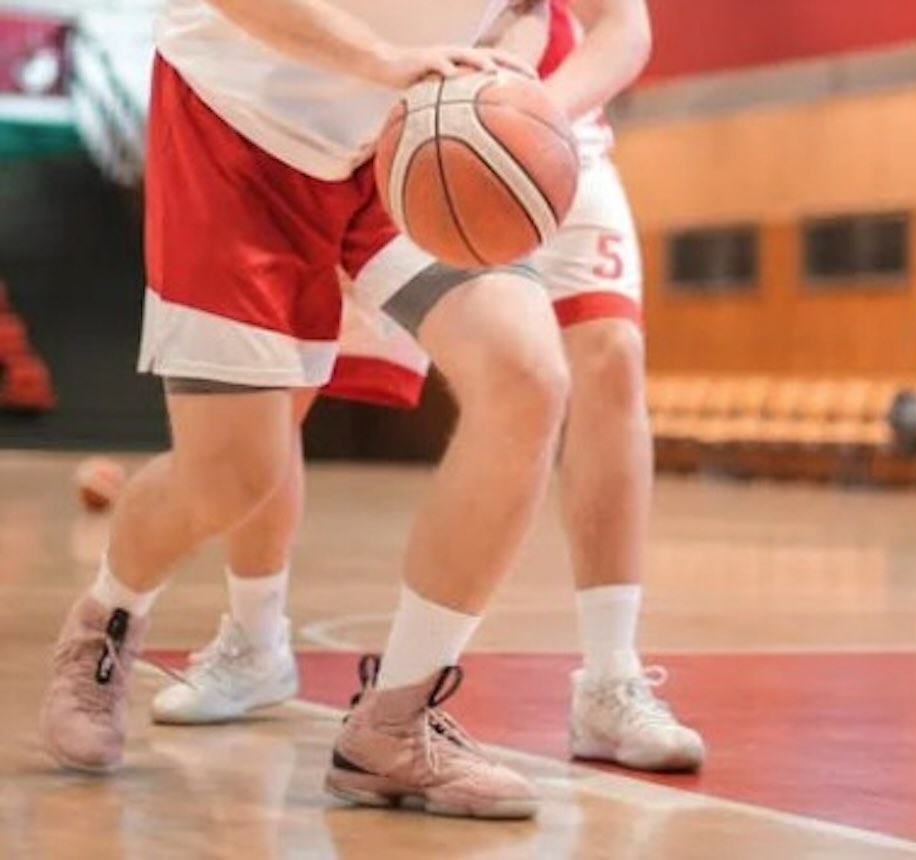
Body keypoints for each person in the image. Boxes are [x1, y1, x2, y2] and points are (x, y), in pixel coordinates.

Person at [40, 0, 569, 821]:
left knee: (527, 374)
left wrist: (506, 70)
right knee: (230, 479)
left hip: (409, 132)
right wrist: (377, 60)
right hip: (237, 127)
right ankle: (106, 618)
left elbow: (530, 10)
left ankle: (396, 721)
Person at [150, 0, 705, 775]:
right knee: (285, 386)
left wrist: (538, 107)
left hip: (542, 120)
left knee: (607, 354)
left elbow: (625, 24)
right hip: (389, 119)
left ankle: (611, 680)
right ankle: (252, 636)